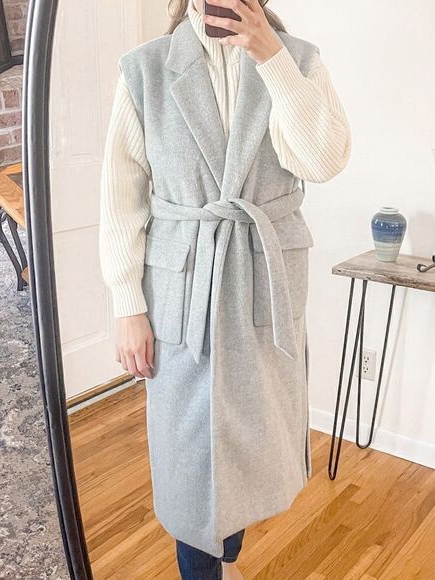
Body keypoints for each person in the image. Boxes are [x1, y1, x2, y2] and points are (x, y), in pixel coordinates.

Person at [99, 0, 351, 578]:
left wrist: (271, 56)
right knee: (190, 458)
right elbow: (120, 194)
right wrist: (127, 304)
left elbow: (321, 161)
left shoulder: (299, 60)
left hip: (262, 280)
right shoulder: (145, 69)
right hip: (181, 283)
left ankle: (224, 558)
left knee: (252, 442)